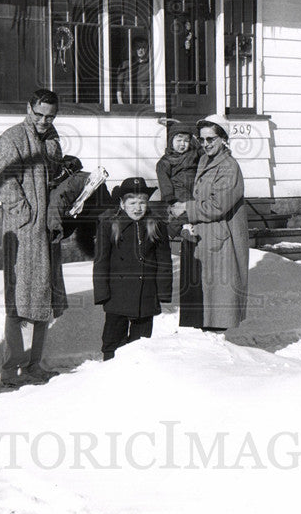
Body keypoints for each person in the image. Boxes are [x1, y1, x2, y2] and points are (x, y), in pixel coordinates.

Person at [0, 88, 67, 387]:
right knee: (21, 301)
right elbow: (3, 182)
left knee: (43, 298)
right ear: (28, 108)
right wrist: (26, 216)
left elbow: (53, 176)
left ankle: (34, 365)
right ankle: (11, 370)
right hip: (24, 232)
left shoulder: (52, 139)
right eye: (39, 115)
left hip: (46, 230)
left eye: (50, 116)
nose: (44, 121)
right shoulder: (12, 138)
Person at [168, 115, 249, 331]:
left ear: (223, 139)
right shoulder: (205, 160)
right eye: (202, 140)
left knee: (217, 305)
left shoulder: (229, 167)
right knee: (202, 302)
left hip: (221, 240)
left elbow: (217, 206)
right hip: (203, 236)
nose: (206, 144)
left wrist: (187, 207)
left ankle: (218, 354)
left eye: (211, 139)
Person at [93, 177, 172, 360]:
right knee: (113, 342)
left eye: (142, 202)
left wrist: (163, 292)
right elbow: (101, 262)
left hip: (146, 295)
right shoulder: (109, 224)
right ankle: (109, 373)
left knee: (141, 345)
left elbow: (164, 262)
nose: (138, 208)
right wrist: (102, 293)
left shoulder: (156, 224)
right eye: (132, 203)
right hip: (117, 296)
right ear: (122, 203)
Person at [155, 120, 203, 327]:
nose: (182, 144)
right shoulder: (164, 162)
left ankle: (185, 226)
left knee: (192, 212)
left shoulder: (196, 156)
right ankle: (182, 227)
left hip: (196, 197)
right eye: (178, 140)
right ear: (170, 141)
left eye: (186, 140)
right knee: (179, 217)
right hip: (177, 198)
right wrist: (172, 201)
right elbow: (165, 186)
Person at [115, 37, 151, 105]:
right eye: (138, 47)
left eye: (143, 47)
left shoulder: (151, 66)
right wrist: (120, 103)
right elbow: (119, 86)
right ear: (133, 49)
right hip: (128, 104)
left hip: (146, 104)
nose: (141, 50)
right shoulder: (125, 64)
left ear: (147, 49)